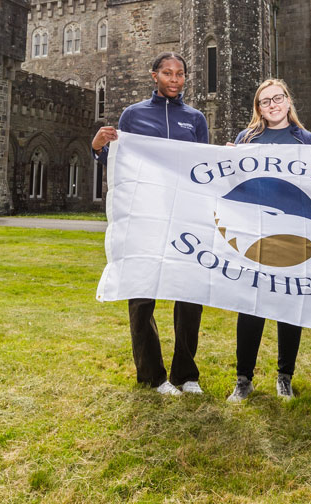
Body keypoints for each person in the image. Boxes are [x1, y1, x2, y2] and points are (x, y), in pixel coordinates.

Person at [92, 52, 209, 396]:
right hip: (144, 216)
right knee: (141, 294)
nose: (174, 79)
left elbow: (204, 167)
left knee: (189, 292)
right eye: (167, 73)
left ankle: (186, 374)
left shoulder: (196, 119)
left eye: (180, 74)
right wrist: (98, 148)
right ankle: (152, 376)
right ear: (154, 75)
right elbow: (118, 160)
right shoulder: (133, 114)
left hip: (184, 216)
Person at [225, 78, 311, 403]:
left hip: (293, 232)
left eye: (277, 98)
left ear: (288, 100)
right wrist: (226, 162)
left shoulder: (305, 140)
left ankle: (285, 377)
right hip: (254, 233)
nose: (272, 105)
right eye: (265, 101)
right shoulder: (247, 138)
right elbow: (234, 185)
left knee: (289, 306)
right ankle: (243, 379)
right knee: (250, 308)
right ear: (258, 108)